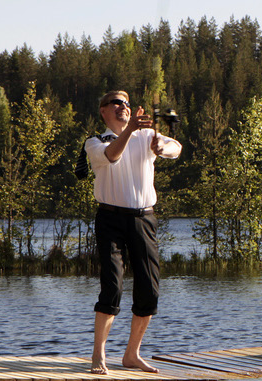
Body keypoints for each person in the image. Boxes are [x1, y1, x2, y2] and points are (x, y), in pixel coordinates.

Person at [86, 91, 182, 374]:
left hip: (144, 219)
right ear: (103, 111)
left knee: (149, 290)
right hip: (110, 219)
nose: (123, 107)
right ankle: (98, 355)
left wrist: (161, 147)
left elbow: (176, 148)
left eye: (126, 104)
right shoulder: (96, 142)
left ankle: (131, 354)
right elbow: (112, 156)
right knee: (112, 286)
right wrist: (130, 131)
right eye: (116, 103)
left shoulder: (146, 136)